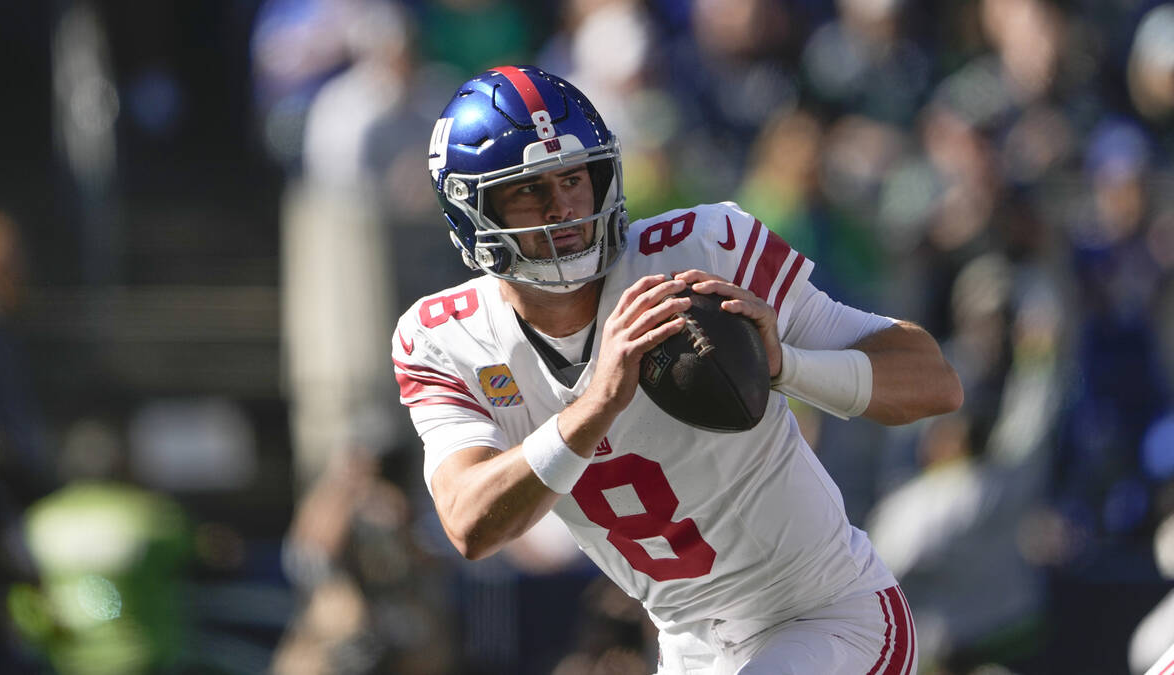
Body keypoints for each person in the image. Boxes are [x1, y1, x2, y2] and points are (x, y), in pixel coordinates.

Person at [391, 65, 963, 674]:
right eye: (530, 189)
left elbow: (934, 382)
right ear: (472, 211)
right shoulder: (444, 338)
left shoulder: (702, 251)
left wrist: (784, 365)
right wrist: (595, 406)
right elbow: (469, 523)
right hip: (690, 647)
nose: (564, 208)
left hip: (827, 615)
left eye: (576, 178)